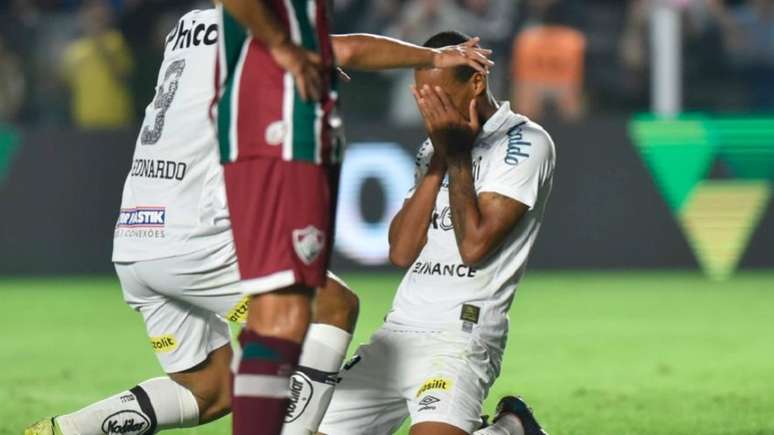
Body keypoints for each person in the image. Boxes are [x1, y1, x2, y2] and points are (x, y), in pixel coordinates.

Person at [25, 6, 493, 435]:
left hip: (135, 238)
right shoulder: (249, 27)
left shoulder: (187, 27)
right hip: (193, 238)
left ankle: (62, 431)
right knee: (331, 308)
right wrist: (436, 54)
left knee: (208, 390)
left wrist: (304, 60)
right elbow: (344, 47)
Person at [213, 2, 492, 435]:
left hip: (265, 131)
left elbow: (344, 50)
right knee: (284, 314)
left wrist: (432, 57)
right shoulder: (278, 39)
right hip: (284, 133)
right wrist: (285, 46)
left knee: (281, 312)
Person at [318, 31, 555, 435]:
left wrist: (457, 155)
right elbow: (400, 251)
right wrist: (439, 159)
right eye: (420, 97)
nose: (428, 109)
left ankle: (510, 429)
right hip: (398, 331)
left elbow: (475, 246)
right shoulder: (434, 147)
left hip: (461, 337)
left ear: (476, 83)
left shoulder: (525, 142)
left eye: (436, 97)